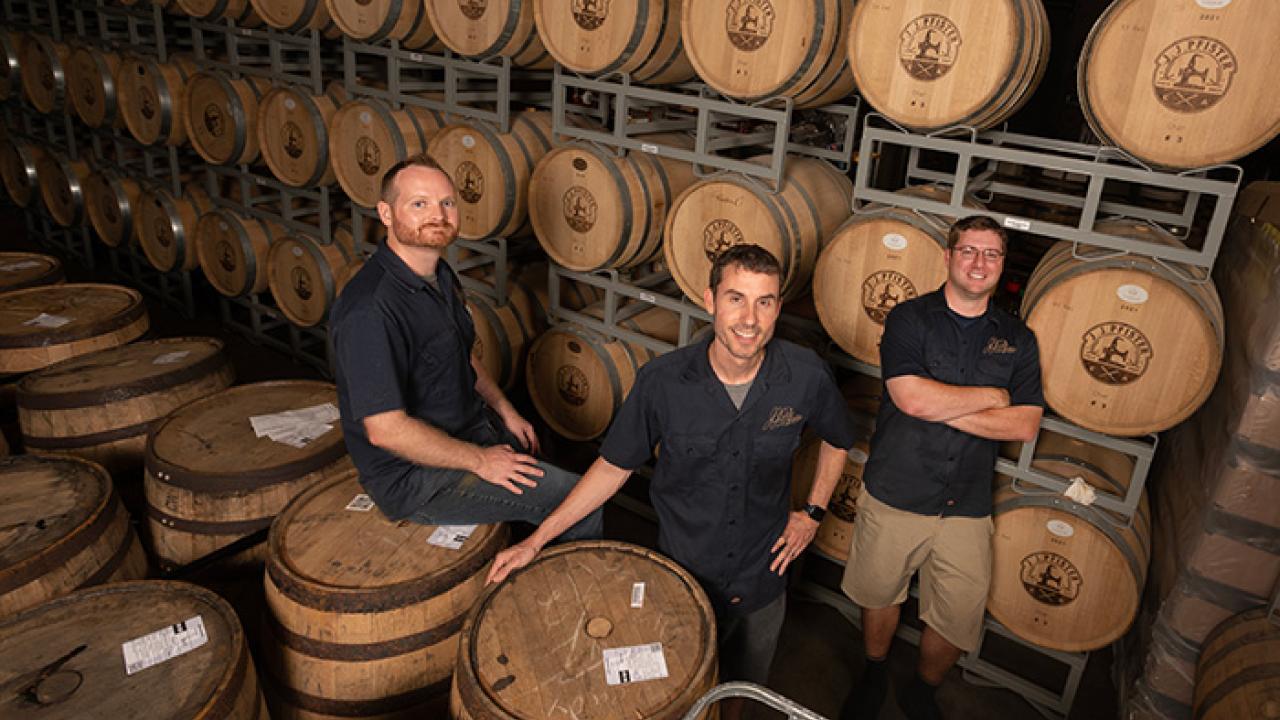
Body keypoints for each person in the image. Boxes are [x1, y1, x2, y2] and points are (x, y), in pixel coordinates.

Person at [487, 244, 855, 720]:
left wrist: (812, 514)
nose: (749, 318)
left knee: (744, 688)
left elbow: (838, 440)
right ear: (710, 300)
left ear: (778, 308)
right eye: (736, 298)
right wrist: (537, 540)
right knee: (673, 692)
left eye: (764, 301)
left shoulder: (805, 376)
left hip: (763, 578)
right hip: (681, 576)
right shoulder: (664, 382)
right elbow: (611, 469)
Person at [329, 153, 601, 540]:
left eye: (447, 203)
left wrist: (505, 410)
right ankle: (574, 596)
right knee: (579, 502)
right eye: (419, 204)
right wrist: (481, 461)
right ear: (386, 213)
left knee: (546, 447)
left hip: (468, 429)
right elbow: (386, 430)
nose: (437, 214)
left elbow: (460, 355)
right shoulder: (370, 310)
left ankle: (527, 562)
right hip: (416, 478)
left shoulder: (438, 275)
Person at [839, 215, 1044, 720]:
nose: (979, 263)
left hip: (967, 503)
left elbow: (1024, 426)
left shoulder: (1018, 338)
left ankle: (923, 689)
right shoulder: (910, 318)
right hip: (898, 486)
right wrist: (993, 398)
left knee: (957, 616)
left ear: (1001, 265)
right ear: (949, 257)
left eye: (991, 254)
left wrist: (944, 402)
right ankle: (874, 669)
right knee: (880, 591)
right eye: (969, 251)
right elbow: (910, 399)